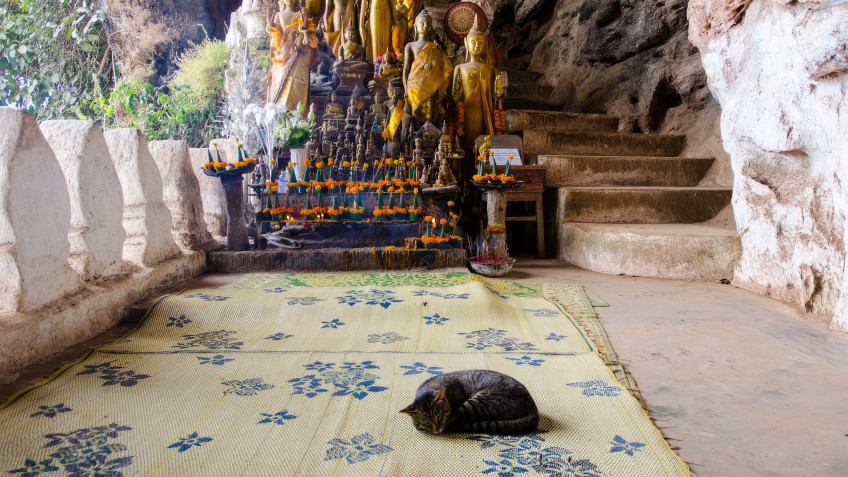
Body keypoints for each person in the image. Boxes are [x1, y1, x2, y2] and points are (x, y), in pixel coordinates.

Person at [452, 17, 497, 163]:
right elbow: (456, 94)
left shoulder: (490, 69)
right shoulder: (459, 68)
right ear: (466, 43)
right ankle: (466, 170)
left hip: (484, 113)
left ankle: (484, 168)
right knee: (467, 143)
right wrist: (457, 113)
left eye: (480, 43)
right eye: (473, 42)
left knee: (483, 141)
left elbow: (497, 95)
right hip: (466, 112)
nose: (477, 46)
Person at [402, 9, 452, 123]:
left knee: (429, 113)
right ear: (416, 26)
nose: (425, 25)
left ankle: (429, 130)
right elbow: (406, 69)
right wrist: (405, 89)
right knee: (415, 115)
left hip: (430, 84)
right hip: (414, 84)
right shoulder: (410, 46)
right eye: (422, 23)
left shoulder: (434, 47)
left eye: (428, 23)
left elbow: (442, 68)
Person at [266, 0, 315, 110]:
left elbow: (308, 36)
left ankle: (298, 113)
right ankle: (280, 111)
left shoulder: (301, 14)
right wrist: (271, 26)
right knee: (281, 81)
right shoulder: (279, 15)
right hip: (283, 53)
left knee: (297, 83)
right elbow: (276, 37)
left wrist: (304, 28)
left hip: (299, 54)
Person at [360, 0, 395, 64]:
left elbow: (392, 3)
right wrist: (361, 25)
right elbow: (364, 3)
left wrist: (395, 22)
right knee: (375, 41)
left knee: (386, 41)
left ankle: (387, 63)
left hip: (387, 10)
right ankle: (376, 64)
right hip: (375, 9)